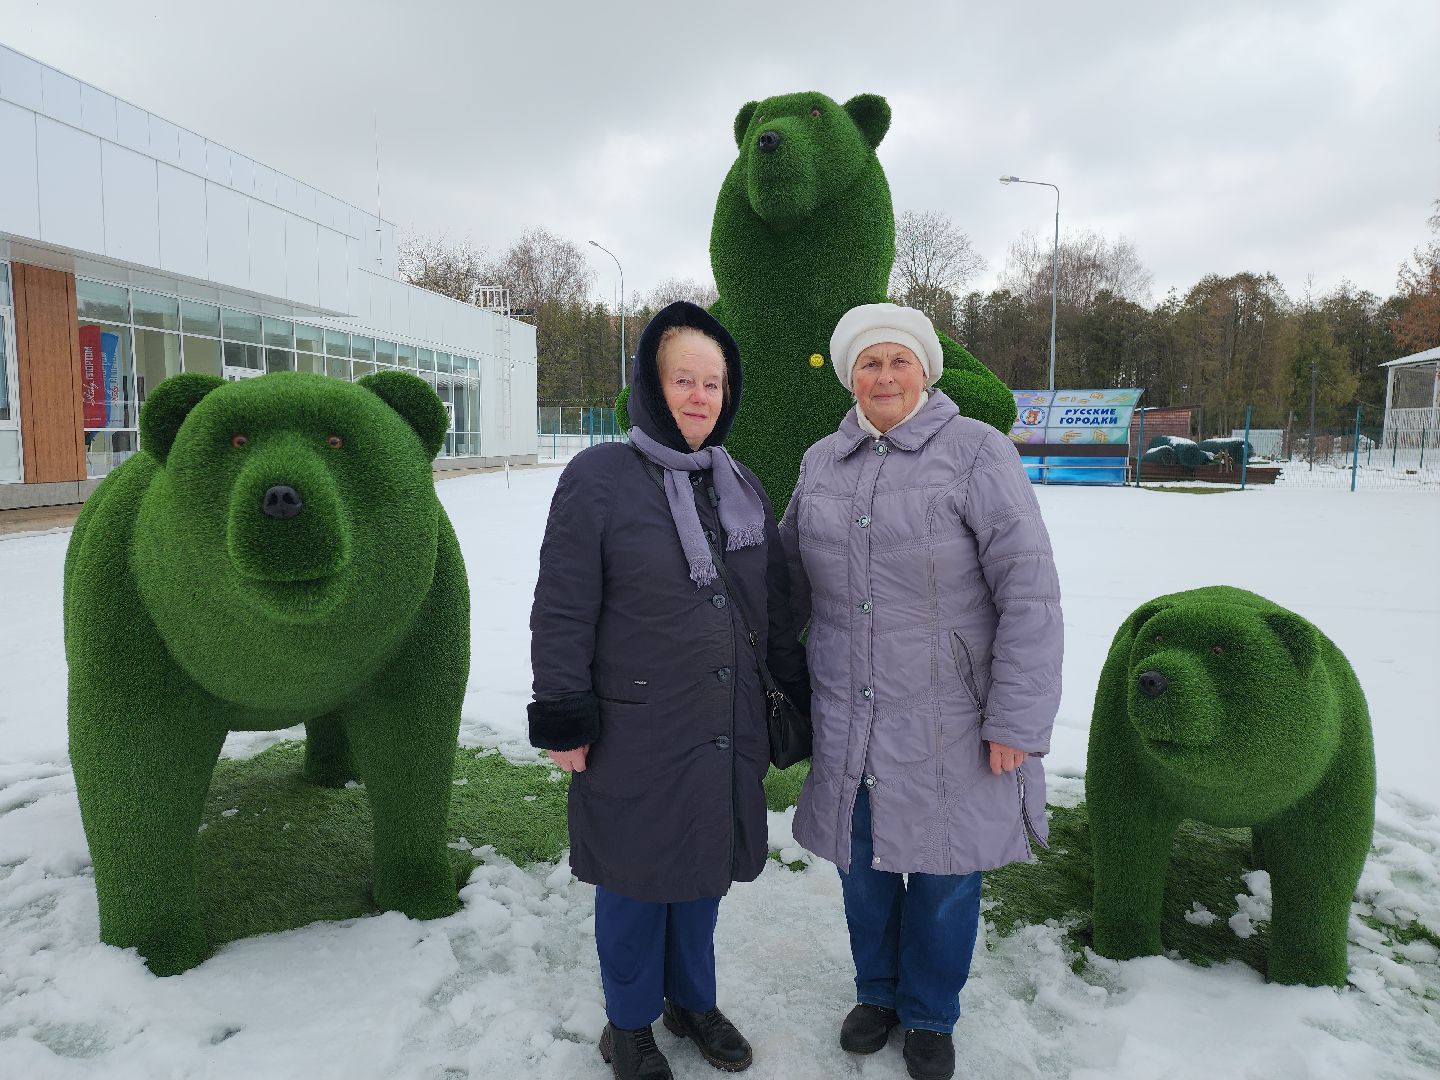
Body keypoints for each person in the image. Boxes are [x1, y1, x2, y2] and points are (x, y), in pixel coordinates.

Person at [779, 303, 1063, 1080]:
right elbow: (787, 587)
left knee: (943, 875)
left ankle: (931, 1013)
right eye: (868, 364)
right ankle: (877, 995)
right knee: (862, 868)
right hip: (851, 713)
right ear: (849, 377)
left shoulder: (975, 453)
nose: (884, 377)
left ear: (926, 370)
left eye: (899, 361)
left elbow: (1030, 593)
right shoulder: (820, 463)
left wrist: (1017, 718)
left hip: (953, 719)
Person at [528, 301, 810, 1080]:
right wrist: (563, 718)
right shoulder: (600, 478)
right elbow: (562, 605)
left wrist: (793, 691)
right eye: (683, 379)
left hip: (724, 723)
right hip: (633, 727)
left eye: (713, 384)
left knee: (701, 873)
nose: (699, 397)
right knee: (633, 882)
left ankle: (691, 1001)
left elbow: (773, 605)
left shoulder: (739, 483)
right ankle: (627, 1026)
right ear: (653, 386)